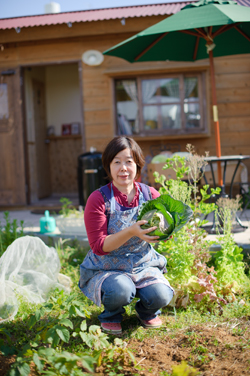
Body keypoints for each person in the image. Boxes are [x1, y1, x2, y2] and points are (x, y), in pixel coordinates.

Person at [79, 136, 174, 335]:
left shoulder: (150, 195)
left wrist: (166, 229)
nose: (123, 168)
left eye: (129, 161)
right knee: (121, 290)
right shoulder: (98, 199)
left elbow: (166, 232)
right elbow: (99, 246)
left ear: (137, 165)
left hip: (143, 264)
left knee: (162, 295)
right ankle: (111, 315)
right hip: (107, 267)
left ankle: (146, 312)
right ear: (108, 166)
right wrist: (131, 230)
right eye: (117, 162)